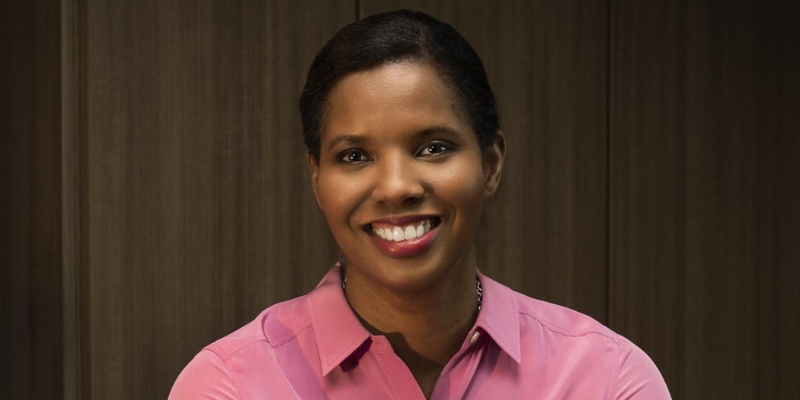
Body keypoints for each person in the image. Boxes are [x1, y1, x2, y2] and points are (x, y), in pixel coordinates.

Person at [170, 10, 671, 399]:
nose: (395, 187)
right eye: (355, 155)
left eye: (432, 148)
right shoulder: (228, 384)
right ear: (317, 177)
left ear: (491, 163)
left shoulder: (608, 377)